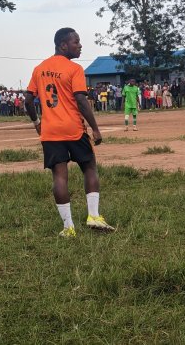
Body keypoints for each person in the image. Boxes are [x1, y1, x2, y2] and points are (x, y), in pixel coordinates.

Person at [25, 27, 115, 238]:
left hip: (50, 131)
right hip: (73, 128)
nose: (80, 45)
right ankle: (93, 216)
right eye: (76, 42)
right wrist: (95, 128)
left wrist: (37, 122)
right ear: (63, 45)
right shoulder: (74, 69)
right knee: (89, 167)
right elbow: (81, 100)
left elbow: (28, 100)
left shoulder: (39, 69)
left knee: (59, 176)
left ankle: (68, 227)